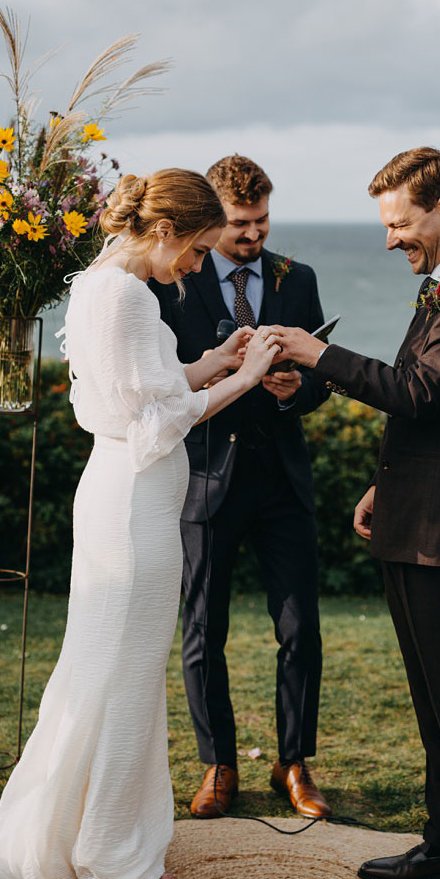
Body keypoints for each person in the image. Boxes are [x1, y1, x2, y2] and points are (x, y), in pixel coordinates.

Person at [0, 169, 278, 879]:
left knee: (103, 671)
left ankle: (92, 836)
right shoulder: (131, 296)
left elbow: (152, 386)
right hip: (135, 512)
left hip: (120, 498)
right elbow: (160, 421)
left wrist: (218, 359)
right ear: (167, 232)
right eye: (199, 251)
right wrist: (250, 375)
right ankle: (111, 857)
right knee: (126, 678)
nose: (199, 266)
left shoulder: (100, 284)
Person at [267, 146, 440, 879]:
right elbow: (433, 412)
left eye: (399, 223)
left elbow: (413, 390)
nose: (389, 240)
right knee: (434, 708)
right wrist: (388, 481)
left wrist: (317, 353)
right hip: (416, 522)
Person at [149, 154, 332, 820]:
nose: (253, 236)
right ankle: (218, 765)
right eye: (239, 224)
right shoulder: (177, 282)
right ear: (213, 219)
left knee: (301, 629)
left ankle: (294, 763)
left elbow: (320, 377)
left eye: (261, 222)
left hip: (282, 479)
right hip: (204, 480)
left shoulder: (297, 279)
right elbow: (167, 378)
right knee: (203, 630)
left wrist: (296, 388)